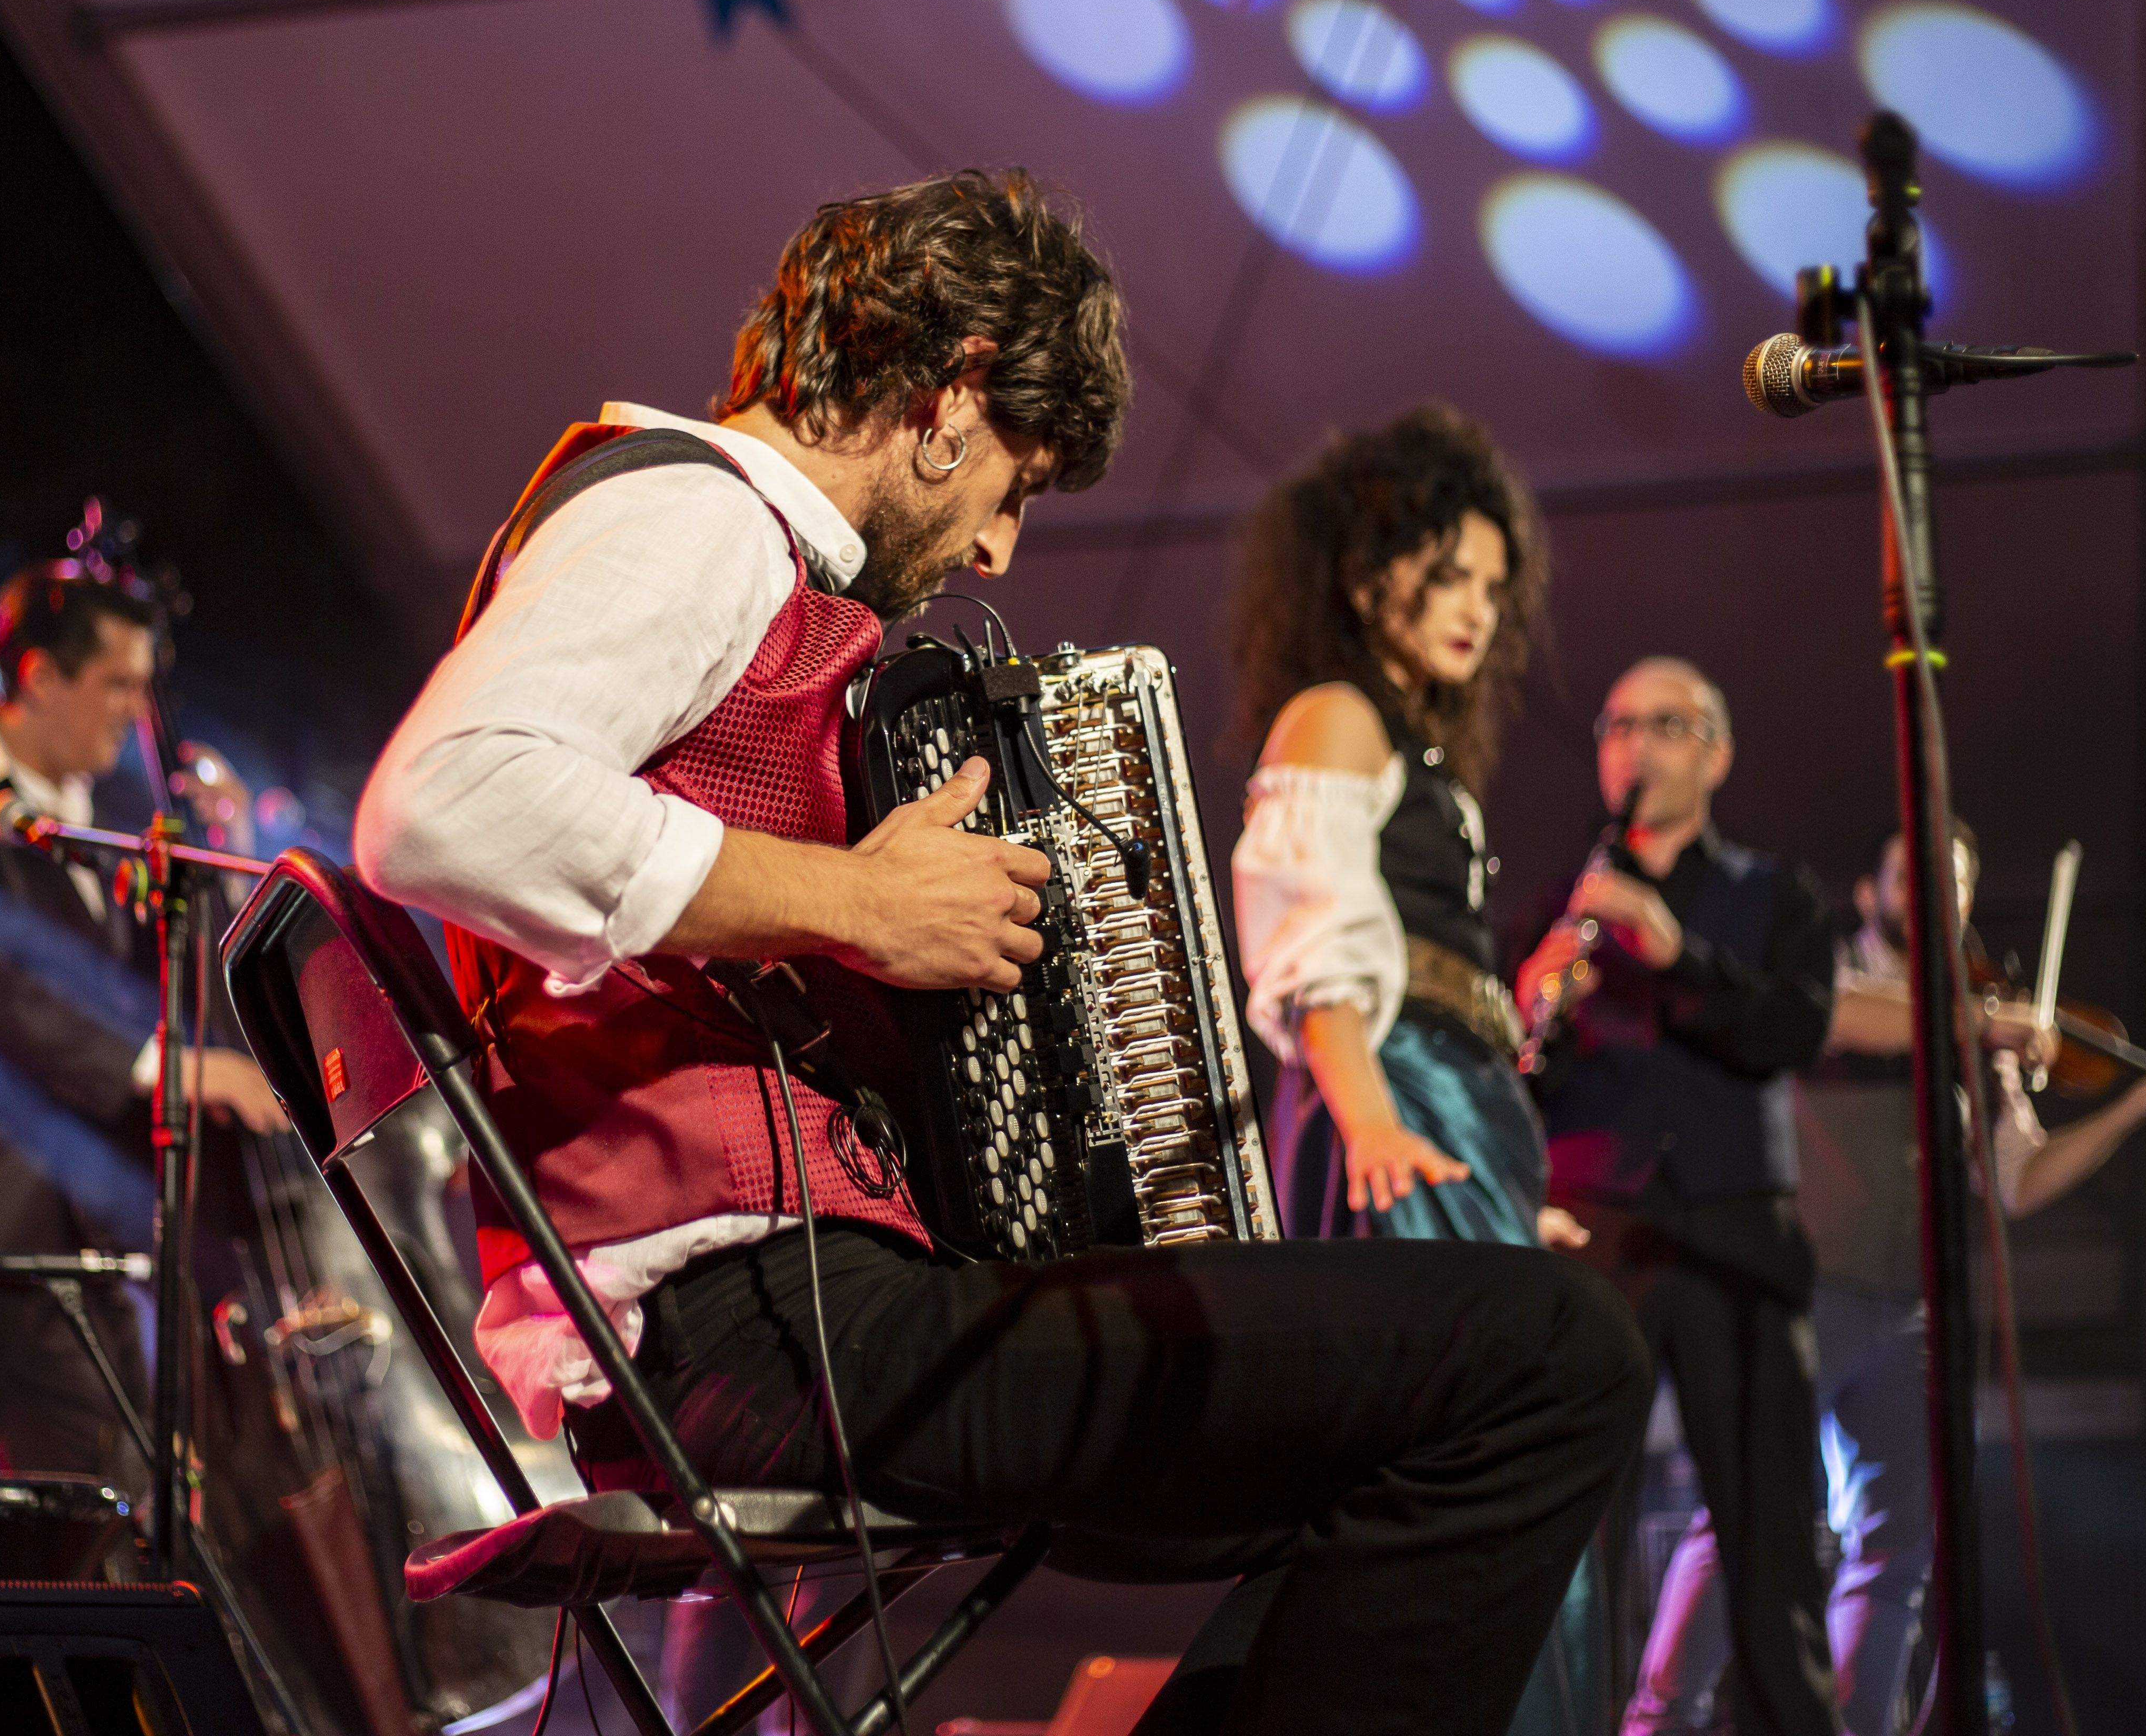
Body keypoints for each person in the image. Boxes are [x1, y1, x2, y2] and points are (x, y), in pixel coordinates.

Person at [358, 169, 1652, 1736]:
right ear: (951, 397)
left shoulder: (744, 558)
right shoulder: (696, 515)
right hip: (766, 1332)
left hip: (787, 1318)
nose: (1002, 546)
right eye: (1018, 485)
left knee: (1377, 1424)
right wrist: (862, 906)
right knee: (1549, 1358)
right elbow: (442, 804)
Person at [1621, 821, 2146, 1736]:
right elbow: (1833, 1013)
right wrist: (1980, 1025)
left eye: (1955, 879)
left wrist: (2135, 1106)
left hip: (1913, 1312)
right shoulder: (1833, 974)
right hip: (1804, 1290)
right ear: (1871, 893)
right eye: (1915, 873)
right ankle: (1656, 1722)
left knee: (1895, 1556)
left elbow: (2017, 1182)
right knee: (1737, 1518)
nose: (1936, 891)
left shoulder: (1980, 1023)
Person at [1228, 404, 1606, 1736]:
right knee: (1473, 1452)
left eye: (1495, 589)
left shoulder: (1424, 749)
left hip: (1455, 1105)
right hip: (1398, 1093)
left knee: (1502, 1444)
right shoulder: (1337, 716)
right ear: (1366, 567)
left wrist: (1502, 1196)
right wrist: (1376, 1121)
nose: (1477, 611)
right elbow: (1308, 925)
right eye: (1448, 574)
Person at [0, 560, 288, 1477]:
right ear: (38, 677)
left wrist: (221, 861)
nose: (137, 711)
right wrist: (167, 1070)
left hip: (74, 1229)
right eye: (119, 683)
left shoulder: (102, 808)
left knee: (108, 1494)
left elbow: (149, 987)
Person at [1514, 658, 1841, 1736]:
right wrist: (1531, 1010)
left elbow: (1792, 1031)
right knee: (1569, 1538)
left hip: (1738, 1231)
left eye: (1665, 724)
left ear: (1716, 751)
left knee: (1769, 1535)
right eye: (1617, 726)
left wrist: (1676, 952)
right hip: (1596, 1229)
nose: (1635, 746)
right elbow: (1523, 1085)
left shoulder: (1772, 892)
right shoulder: (1556, 902)